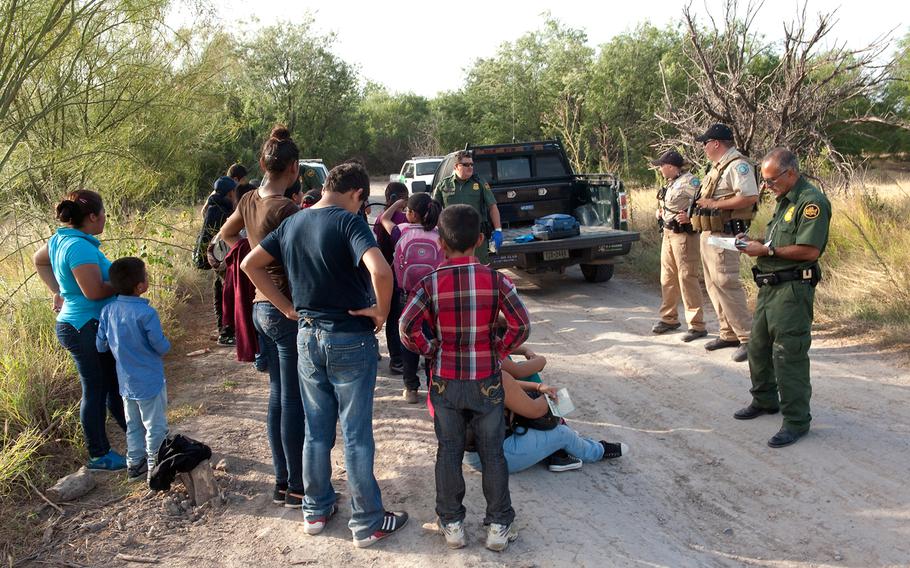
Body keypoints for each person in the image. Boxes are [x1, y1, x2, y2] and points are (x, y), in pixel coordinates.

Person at [241, 161, 408, 548]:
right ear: (358, 195)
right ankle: (367, 521)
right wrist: (381, 311)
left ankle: (315, 509)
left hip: (307, 337)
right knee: (355, 434)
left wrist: (285, 307)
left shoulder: (293, 221)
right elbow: (381, 271)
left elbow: (251, 264)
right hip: (349, 338)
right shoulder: (350, 223)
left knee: (316, 431)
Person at [400, 204, 530, 552]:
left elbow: (406, 326)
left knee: (449, 450)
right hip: (487, 379)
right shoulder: (497, 280)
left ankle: (453, 524)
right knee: (493, 453)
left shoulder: (429, 283)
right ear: (481, 240)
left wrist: (430, 349)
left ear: (441, 242)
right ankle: (499, 526)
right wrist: (498, 350)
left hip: (445, 380)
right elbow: (522, 324)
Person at [219, 125, 306, 507]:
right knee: (293, 402)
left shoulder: (250, 199)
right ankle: (296, 485)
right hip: (281, 307)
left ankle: (282, 482)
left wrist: (250, 251)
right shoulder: (286, 209)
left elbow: (226, 235)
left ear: (262, 164)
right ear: (295, 168)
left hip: (258, 306)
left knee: (277, 397)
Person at [733, 148, 831, 448]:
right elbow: (777, 241)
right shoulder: (783, 201)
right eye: (764, 181)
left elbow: (810, 251)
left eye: (771, 180)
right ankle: (764, 400)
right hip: (769, 288)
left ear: (790, 173)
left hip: (792, 291)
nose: (767, 186)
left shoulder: (811, 202)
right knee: (759, 347)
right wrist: (756, 243)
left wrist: (767, 251)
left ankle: (797, 421)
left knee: (788, 355)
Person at [32, 190, 128, 470]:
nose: (106, 218)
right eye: (104, 213)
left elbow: (39, 261)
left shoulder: (60, 238)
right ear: (93, 216)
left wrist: (59, 291)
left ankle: (143, 438)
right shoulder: (79, 248)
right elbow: (95, 291)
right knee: (96, 390)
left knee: (111, 386)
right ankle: (99, 454)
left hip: (83, 323)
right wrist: (127, 283)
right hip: (83, 327)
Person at [462, 371, 628, 474]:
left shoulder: (465, 368)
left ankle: (558, 448)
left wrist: (537, 386)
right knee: (563, 434)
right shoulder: (497, 376)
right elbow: (535, 410)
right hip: (494, 459)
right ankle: (598, 450)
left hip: (468, 453)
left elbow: (508, 382)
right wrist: (548, 397)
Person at [96, 257, 171, 483]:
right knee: (155, 425)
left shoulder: (108, 311)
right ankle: (154, 468)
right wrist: (167, 345)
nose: (147, 279)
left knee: (133, 425)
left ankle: (134, 464)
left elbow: (100, 345)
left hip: (125, 382)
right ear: (140, 287)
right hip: (149, 379)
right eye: (145, 276)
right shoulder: (147, 314)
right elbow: (160, 346)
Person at [693, 123, 759, 362]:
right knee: (713, 284)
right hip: (710, 233)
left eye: (705, 143)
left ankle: (749, 339)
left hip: (725, 234)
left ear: (716, 143)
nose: (704, 147)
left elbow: (750, 196)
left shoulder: (737, 165)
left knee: (726, 283)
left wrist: (715, 205)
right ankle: (728, 333)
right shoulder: (718, 167)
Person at [380, 192, 443, 403]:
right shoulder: (439, 234)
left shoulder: (401, 231)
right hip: (433, 297)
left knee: (408, 339)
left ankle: (411, 388)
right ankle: (433, 386)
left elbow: (383, 219)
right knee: (432, 340)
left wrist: (397, 203)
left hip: (407, 296)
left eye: (407, 210)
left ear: (412, 214)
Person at [650, 150, 707, 343]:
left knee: (686, 278)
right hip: (668, 233)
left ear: (671, 166)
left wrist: (691, 218)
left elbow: (705, 203)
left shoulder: (690, 182)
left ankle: (697, 325)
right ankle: (669, 318)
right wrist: (662, 212)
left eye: (661, 165)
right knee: (667, 277)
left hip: (684, 236)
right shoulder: (671, 182)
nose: (659, 168)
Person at [432, 150, 503, 265]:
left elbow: (492, 207)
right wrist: (434, 231)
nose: (470, 167)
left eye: (471, 164)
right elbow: (434, 210)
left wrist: (498, 230)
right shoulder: (443, 185)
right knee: (454, 270)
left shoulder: (479, 183)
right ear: (456, 166)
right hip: (452, 237)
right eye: (465, 164)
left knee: (480, 268)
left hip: (476, 236)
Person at [196, 175, 238, 346]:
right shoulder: (222, 209)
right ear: (230, 192)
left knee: (219, 291)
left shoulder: (211, 206)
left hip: (216, 259)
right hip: (222, 259)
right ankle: (226, 332)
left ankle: (223, 328)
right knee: (225, 294)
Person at [373, 182, 409, 376]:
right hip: (402, 277)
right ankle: (404, 358)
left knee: (392, 319)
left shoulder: (380, 219)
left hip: (386, 273)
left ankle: (396, 359)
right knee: (404, 318)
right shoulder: (404, 219)